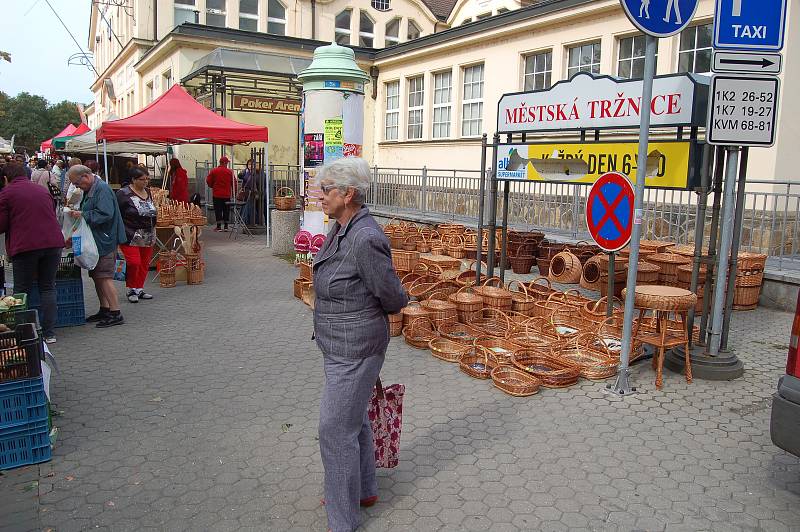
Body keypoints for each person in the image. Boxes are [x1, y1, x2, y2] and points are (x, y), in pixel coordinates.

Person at [312, 157, 408, 532]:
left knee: (334, 430)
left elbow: (391, 294)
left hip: (356, 347)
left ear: (348, 194)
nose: (320, 196)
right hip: (337, 343)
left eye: (326, 190)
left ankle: (342, 520)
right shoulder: (343, 226)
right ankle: (365, 488)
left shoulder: (366, 237)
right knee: (352, 419)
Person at [0, 162, 65, 343]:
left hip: (25, 246)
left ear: (6, 178)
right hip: (53, 243)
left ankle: (24, 332)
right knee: (48, 286)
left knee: (22, 289)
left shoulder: (7, 193)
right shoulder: (41, 190)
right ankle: (50, 332)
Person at [67, 164, 127, 328]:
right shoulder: (91, 189)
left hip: (105, 239)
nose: (77, 187)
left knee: (104, 277)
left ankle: (115, 313)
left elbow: (106, 214)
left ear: (86, 176)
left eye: (77, 183)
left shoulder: (102, 190)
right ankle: (105, 308)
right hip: (97, 240)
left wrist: (83, 214)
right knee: (97, 276)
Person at [116, 168, 156, 303]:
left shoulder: (148, 192)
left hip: (147, 233)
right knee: (134, 262)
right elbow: (118, 214)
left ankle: (139, 288)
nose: (145, 182)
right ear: (133, 179)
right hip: (130, 233)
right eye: (142, 179)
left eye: (147, 179)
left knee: (144, 263)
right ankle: (131, 288)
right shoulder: (123, 193)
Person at [205, 155, 233, 232]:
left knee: (218, 210)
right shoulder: (229, 172)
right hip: (227, 195)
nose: (227, 164)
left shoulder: (214, 171)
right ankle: (226, 226)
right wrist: (234, 192)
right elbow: (234, 183)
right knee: (226, 210)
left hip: (217, 194)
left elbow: (208, 180)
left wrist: (212, 186)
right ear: (224, 163)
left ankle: (219, 226)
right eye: (227, 163)